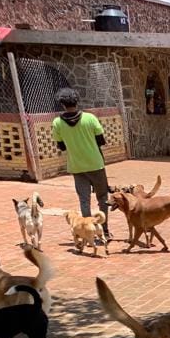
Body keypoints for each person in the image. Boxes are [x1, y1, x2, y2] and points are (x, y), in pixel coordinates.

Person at [52, 88, 110, 239]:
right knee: (103, 198)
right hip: (96, 164)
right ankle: (104, 230)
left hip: (76, 166)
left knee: (84, 200)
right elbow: (101, 141)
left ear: (62, 104)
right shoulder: (90, 118)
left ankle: (87, 231)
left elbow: (61, 146)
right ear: (77, 101)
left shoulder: (57, 123)